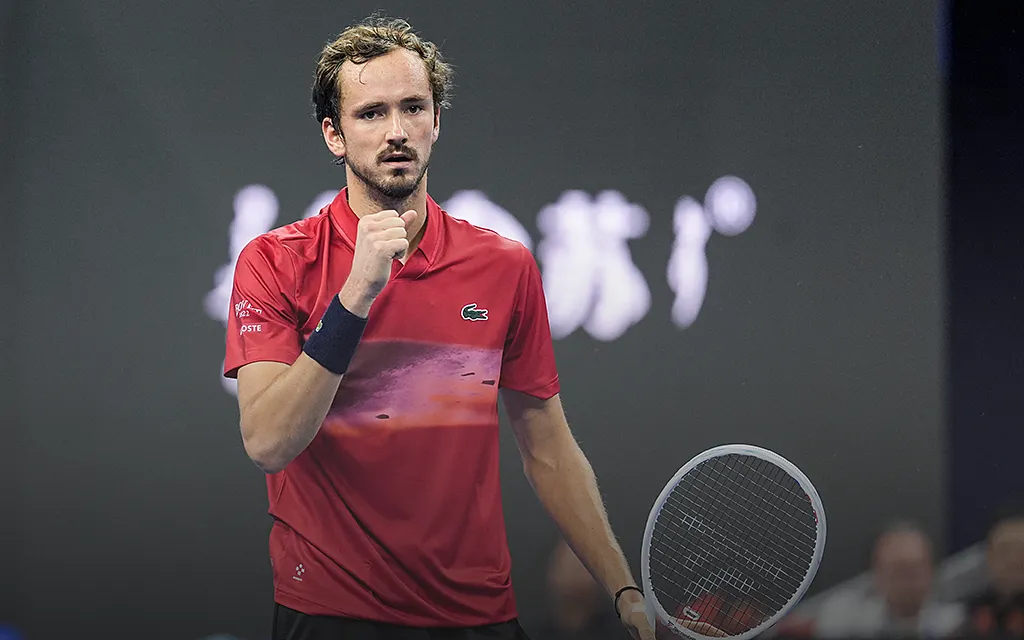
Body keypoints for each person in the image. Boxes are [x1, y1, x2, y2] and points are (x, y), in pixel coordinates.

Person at [223, 15, 655, 640]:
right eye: (371, 113)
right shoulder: (275, 261)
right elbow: (268, 442)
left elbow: (550, 451)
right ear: (333, 134)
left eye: (413, 107)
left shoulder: (504, 266)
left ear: (436, 121)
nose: (396, 131)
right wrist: (354, 297)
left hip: (476, 613)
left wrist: (623, 590)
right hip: (330, 611)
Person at [814, 521, 964, 638]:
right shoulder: (841, 620)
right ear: (876, 572)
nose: (905, 583)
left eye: (912, 572)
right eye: (896, 571)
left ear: (932, 572)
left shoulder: (956, 626)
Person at [962, 504, 1024, 636]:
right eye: (1005, 550)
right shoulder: (969, 613)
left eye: (1021, 550)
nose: (1014, 560)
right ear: (988, 556)